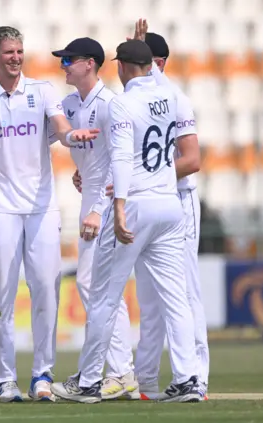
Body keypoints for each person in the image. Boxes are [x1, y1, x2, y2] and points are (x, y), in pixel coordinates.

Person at [50, 39, 202, 403]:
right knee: (175, 299)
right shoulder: (168, 98)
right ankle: (188, 380)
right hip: (169, 204)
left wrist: (116, 207)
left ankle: (88, 382)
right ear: (151, 65)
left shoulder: (121, 104)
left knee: (102, 294)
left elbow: (120, 159)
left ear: (120, 67)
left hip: (135, 205)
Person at [0, 26, 99, 402]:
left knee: (46, 290)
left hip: (42, 207)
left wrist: (73, 136)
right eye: (8, 51)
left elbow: (60, 128)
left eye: (20, 51)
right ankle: (5, 379)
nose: (15, 57)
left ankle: (42, 374)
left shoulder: (42, 91)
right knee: (2, 296)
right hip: (0, 210)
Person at [50, 37, 138, 400]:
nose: (63, 65)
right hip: (90, 195)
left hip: (104, 202)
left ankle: (120, 371)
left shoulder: (110, 105)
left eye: (69, 59)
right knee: (97, 286)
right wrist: (80, 171)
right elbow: (87, 153)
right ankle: (120, 371)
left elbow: (121, 162)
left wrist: (98, 210)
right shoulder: (69, 103)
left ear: (90, 63)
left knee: (95, 284)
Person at [135, 23, 209, 400]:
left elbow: (192, 160)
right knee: (149, 297)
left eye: (141, 57)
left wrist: (147, 174)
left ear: (159, 61)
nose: (133, 64)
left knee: (185, 291)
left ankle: (197, 378)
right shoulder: (139, 96)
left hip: (177, 199)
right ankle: (145, 380)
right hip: (150, 200)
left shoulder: (175, 98)